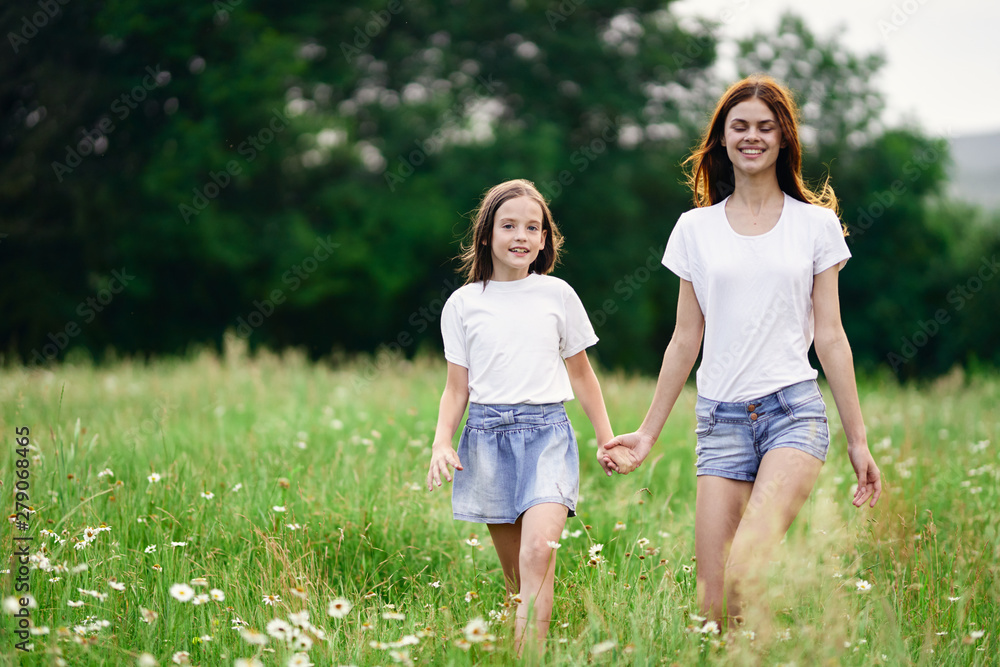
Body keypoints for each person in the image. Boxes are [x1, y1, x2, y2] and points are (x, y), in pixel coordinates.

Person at [600, 74, 882, 627]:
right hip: (720, 422)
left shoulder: (816, 226)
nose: (752, 137)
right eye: (740, 127)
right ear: (722, 140)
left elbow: (830, 337)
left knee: (745, 569)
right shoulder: (694, 229)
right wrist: (648, 433)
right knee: (712, 611)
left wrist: (859, 441)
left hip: (791, 415)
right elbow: (685, 338)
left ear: (783, 139)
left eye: (765, 127)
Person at [425, 179, 635, 655]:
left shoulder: (557, 295)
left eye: (532, 227)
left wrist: (606, 439)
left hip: (547, 436)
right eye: (509, 225)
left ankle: (530, 658)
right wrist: (443, 441)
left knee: (538, 553)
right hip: (486, 439)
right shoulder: (463, 304)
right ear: (486, 235)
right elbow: (457, 387)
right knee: (518, 577)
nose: (520, 235)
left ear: (544, 240)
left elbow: (582, 376)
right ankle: (524, 651)